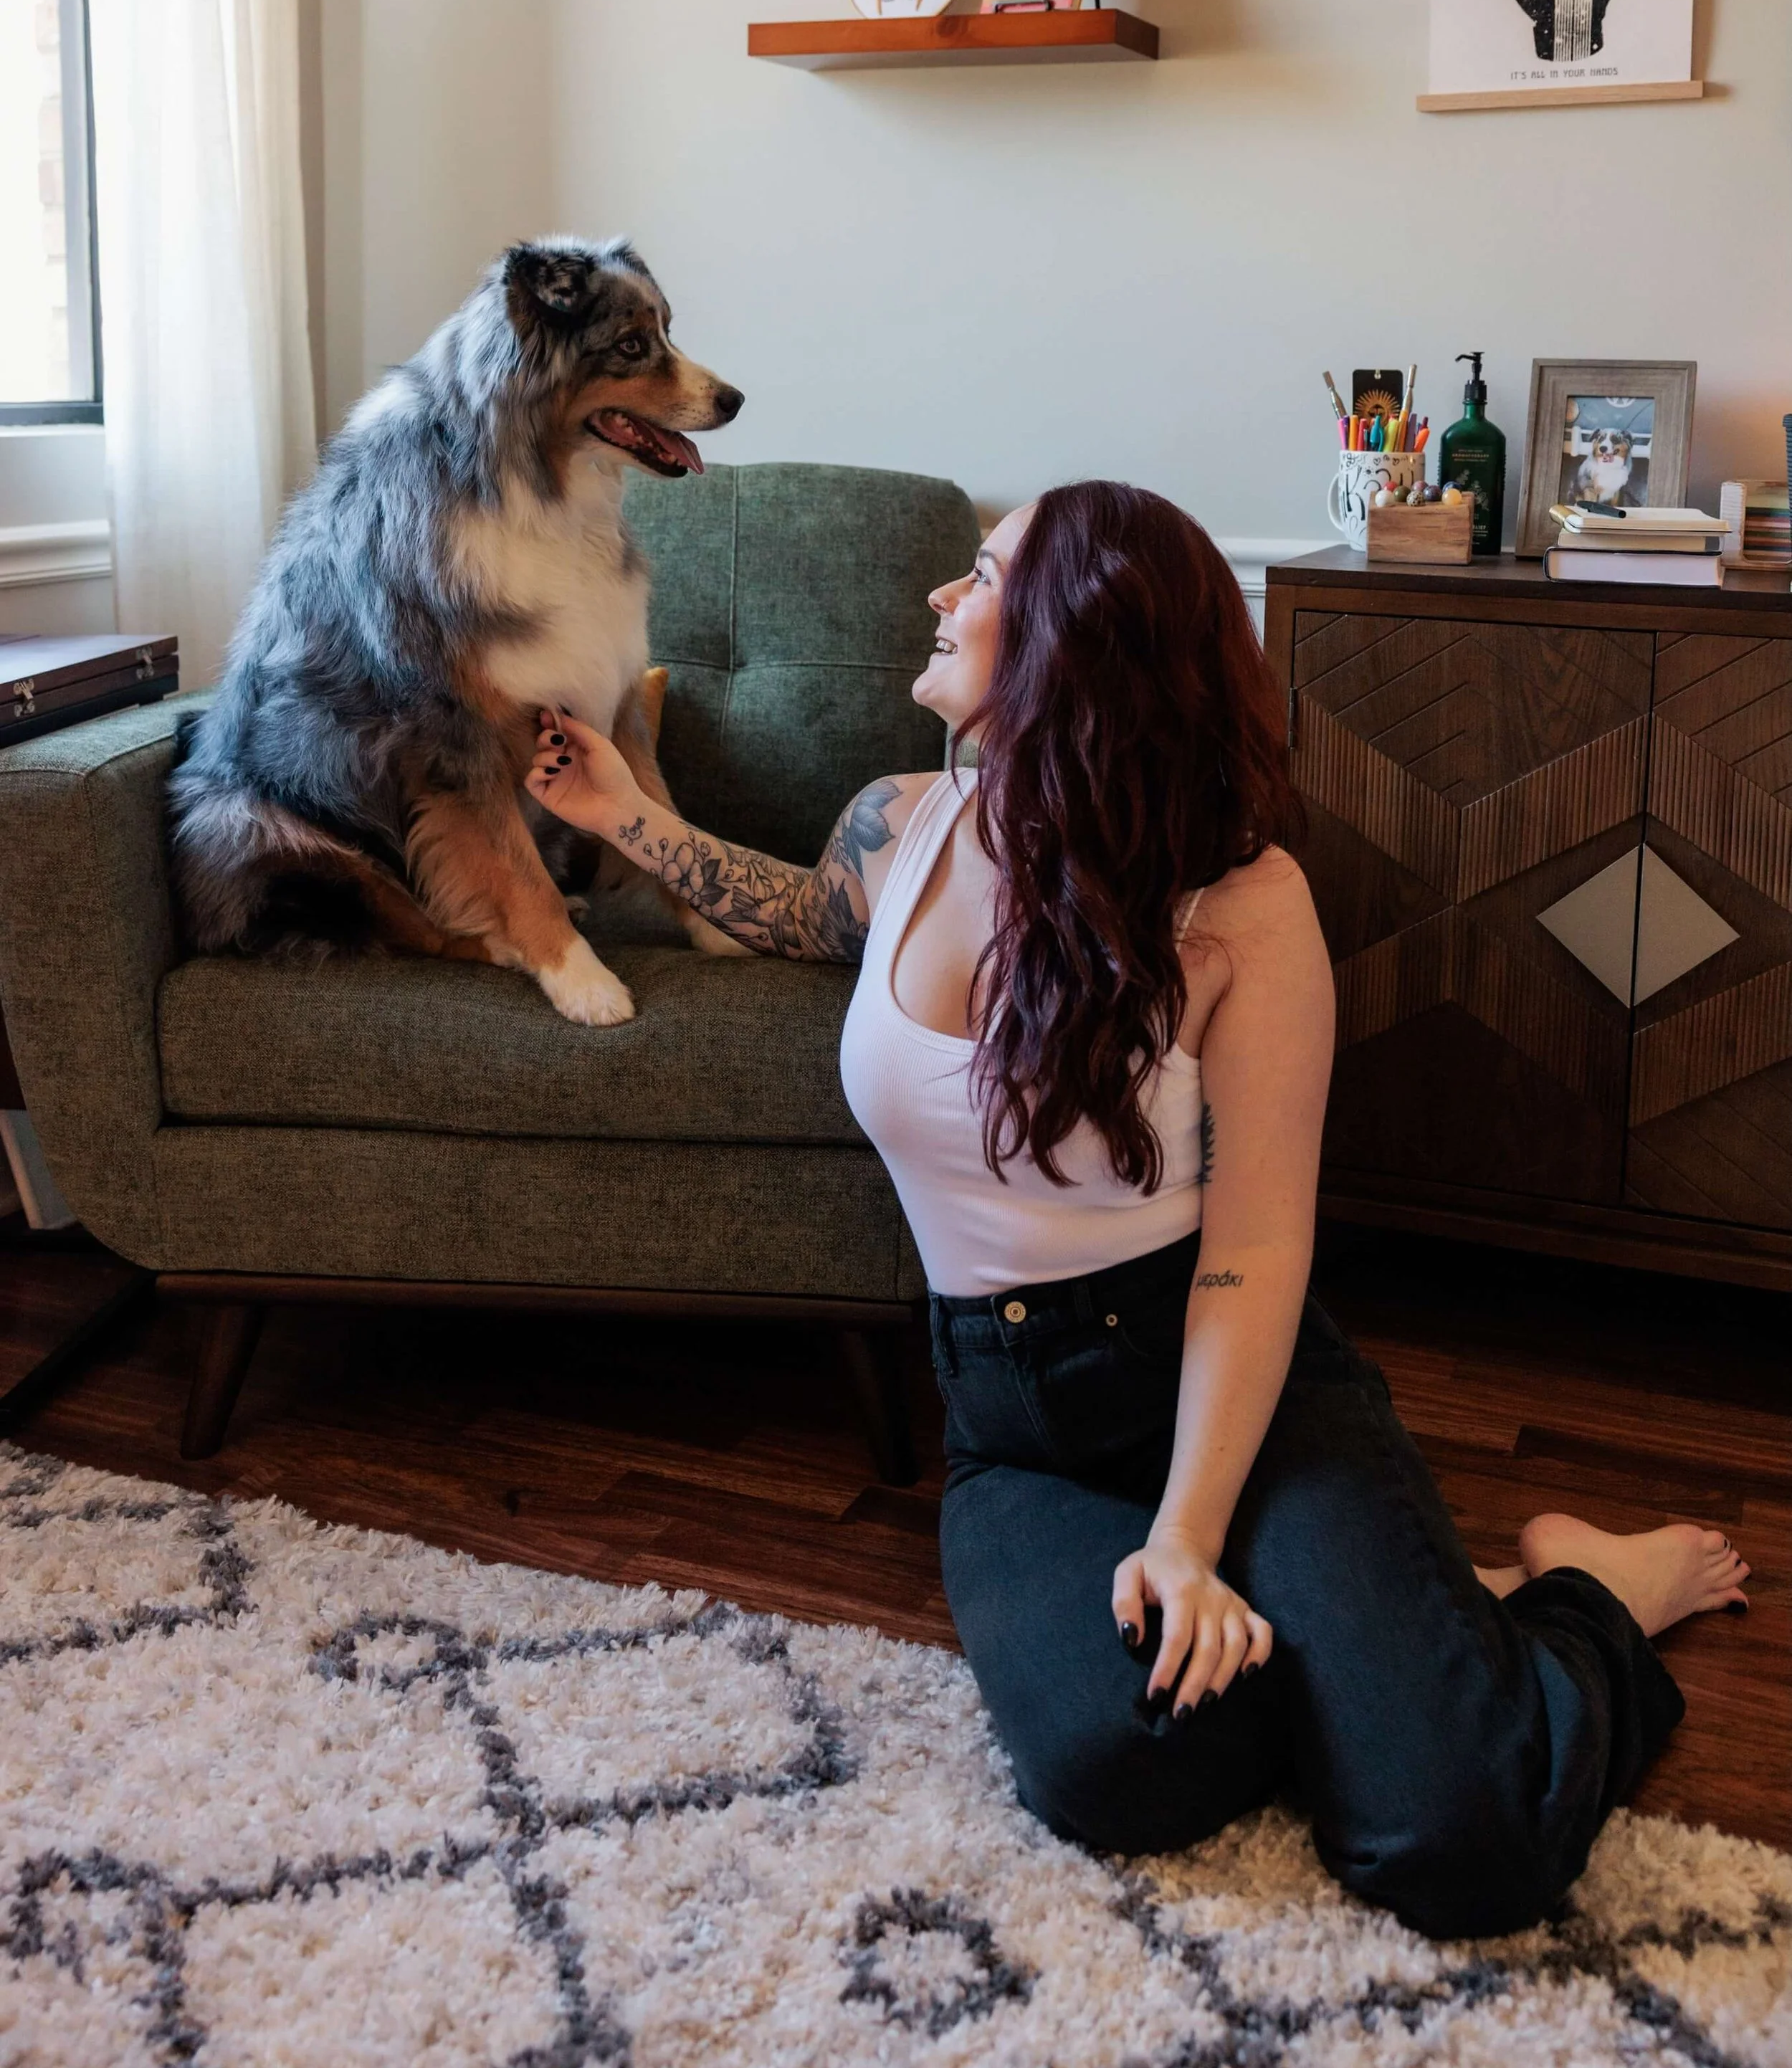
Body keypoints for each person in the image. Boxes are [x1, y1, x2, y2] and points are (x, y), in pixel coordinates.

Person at [527, 481, 1750, 1940]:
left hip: (1228, 1373)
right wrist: (620, 814)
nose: (937, 596)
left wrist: (1181, 1535)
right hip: (1014, 1422)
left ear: (1068, 643)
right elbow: (796, 913)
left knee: (1457, 1834)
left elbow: (1255, 1250)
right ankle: (1400, 1610)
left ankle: (1578, 1599)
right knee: (1132, 1759)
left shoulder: (1239, 907)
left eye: (977, 576)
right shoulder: (898, 823)